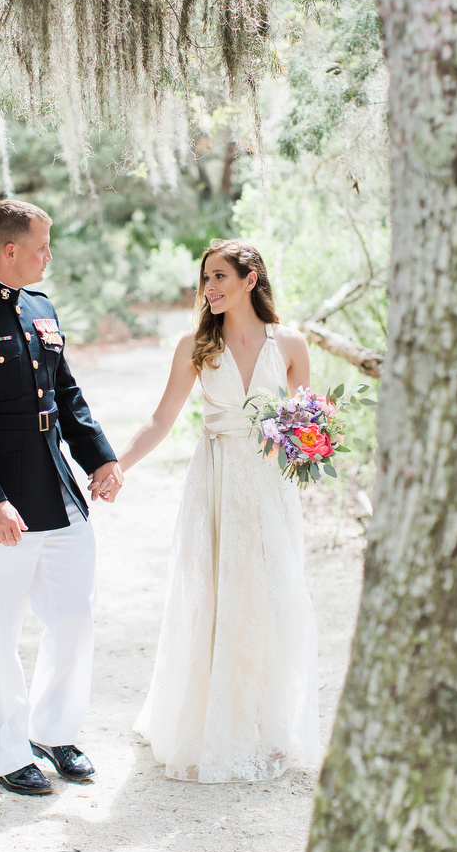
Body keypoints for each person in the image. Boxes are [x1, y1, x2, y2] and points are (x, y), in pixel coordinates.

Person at [0, 200, 123, 796]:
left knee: (73, 616)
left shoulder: (41, 308)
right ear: (10, 251)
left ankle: (54, 731)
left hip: (55, 491)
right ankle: (9, 754)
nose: (48, 255)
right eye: (42, 246)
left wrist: (102, 457)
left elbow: (66, 394)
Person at [118, 239, 320, 783]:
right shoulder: (196, 345)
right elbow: (161, 420)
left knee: (268, 600)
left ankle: (263, 723)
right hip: (216, 479)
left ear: (250, 279)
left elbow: (310, 420)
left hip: (272, 488)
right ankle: (210, 720)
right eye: (205, 279)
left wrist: (308, 444)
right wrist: (118, 465)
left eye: (220, 276)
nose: (209, 288)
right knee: (214, 595)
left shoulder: (292, 343)